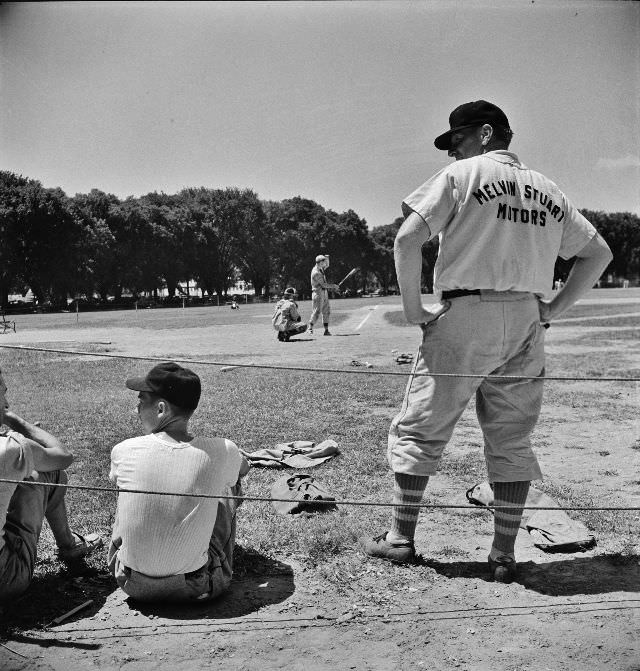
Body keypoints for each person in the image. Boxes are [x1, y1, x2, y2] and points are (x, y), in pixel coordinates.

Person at [360, 100, 612, 582]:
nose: (452, 152)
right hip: (524, 318)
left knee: (421, 427)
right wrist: (552, 310)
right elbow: (596, 252)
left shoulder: (463, 176)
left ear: (485, 133)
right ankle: (502, 555)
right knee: (512, 436)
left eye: (456, 140)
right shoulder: (548, 187)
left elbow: (406, 240)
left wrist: (415, 312)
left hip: (465, 312)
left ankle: (400, 539)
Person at [108, 362, 250, 602]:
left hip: (130, 583)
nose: (137, 409)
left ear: (161, 409)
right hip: (196, 588)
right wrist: (233, 457)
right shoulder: (223, 449)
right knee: (229, 488)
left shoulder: (124, 449)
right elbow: (243, 470)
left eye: (142, 401)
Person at [0, 368, 103, 604]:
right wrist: (17, 423)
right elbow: (63, 456)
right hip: (6, 579)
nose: (7, 401)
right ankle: (69, 545)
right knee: (50, 474)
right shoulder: (10, 449)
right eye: (3, 393)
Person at [308, 254, 340, 335]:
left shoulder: (321, 268)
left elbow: (327, 265)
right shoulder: (316, 272)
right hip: (318, 293)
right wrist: (334, 286)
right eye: (323, 262)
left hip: (324, 293)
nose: (325, 264)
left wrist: (327, 257)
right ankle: (310, 327)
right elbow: (323, 285)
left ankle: (326, 330)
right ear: (319, 262)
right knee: (317, 311)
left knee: (326, 311)